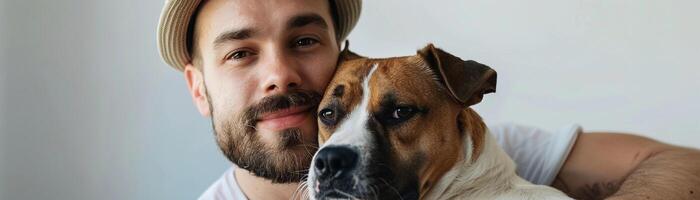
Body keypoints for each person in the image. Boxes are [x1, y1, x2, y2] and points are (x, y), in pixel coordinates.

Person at [156, 0, 700, 199]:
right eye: (240, 53)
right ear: (198, 88)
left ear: (336, 54)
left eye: (303, 41)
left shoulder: (474, 150)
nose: (280, 73)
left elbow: (684, 163)